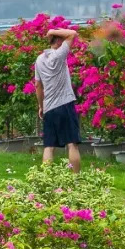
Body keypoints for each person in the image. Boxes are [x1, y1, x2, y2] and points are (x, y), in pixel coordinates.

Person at [34, 27, 82, 172]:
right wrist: (52, 30)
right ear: (59, 40)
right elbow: (72, 34)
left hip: (49, 108)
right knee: (72, 143)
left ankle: (46, 179)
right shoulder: (59, 55)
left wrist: (41, 106)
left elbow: (37, 85)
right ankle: (76, 178)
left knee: (49, 146)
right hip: (65, 104)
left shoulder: (39, 59)